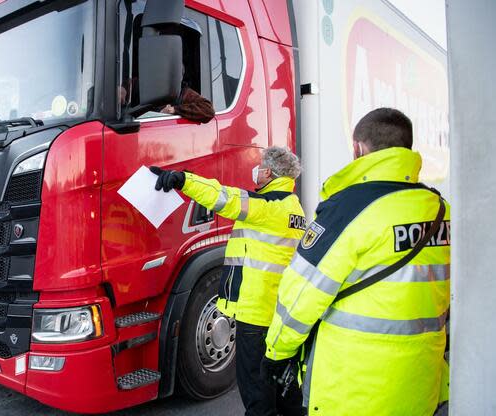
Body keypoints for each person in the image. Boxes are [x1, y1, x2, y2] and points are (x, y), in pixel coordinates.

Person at [261, 108, 451, 415]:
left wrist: (276, 353)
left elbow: (301, 295)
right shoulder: (440, 209)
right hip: (420, 383)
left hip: (353, 388)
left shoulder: (349, 208)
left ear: (358, 149)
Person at [150, 146, 306, 416]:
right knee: (281, 378)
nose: (256, 172)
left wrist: (183, 180)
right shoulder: (294, 208)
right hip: (279, 308)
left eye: (259, 167)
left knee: (255, 385)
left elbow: (225, 197)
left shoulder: (268, 207)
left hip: (256, 312)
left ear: (268, 172)